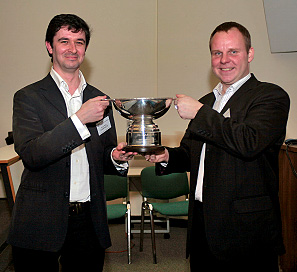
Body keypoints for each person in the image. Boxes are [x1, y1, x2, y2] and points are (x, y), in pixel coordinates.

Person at [145, 21, 290, 271]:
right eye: (217, 53)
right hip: (202, 223)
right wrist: (165, 156)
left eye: (233, 51)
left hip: (246, 232)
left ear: (250, 54)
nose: (224, 60)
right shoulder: (206, 102)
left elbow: (249, 142)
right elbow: (191, 153)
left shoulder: (270, 96)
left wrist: (200, 113)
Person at [8, 14, 136, 272]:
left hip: (88, 221)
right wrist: (78, 120)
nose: (72, 48)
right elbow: (32, 153)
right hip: (40, 218)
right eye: (64, 41)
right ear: (49, 46)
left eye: (79, 42)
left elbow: (104, 155)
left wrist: (116, 158)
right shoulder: (28, 97)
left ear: (85, 49)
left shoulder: (100, 100)